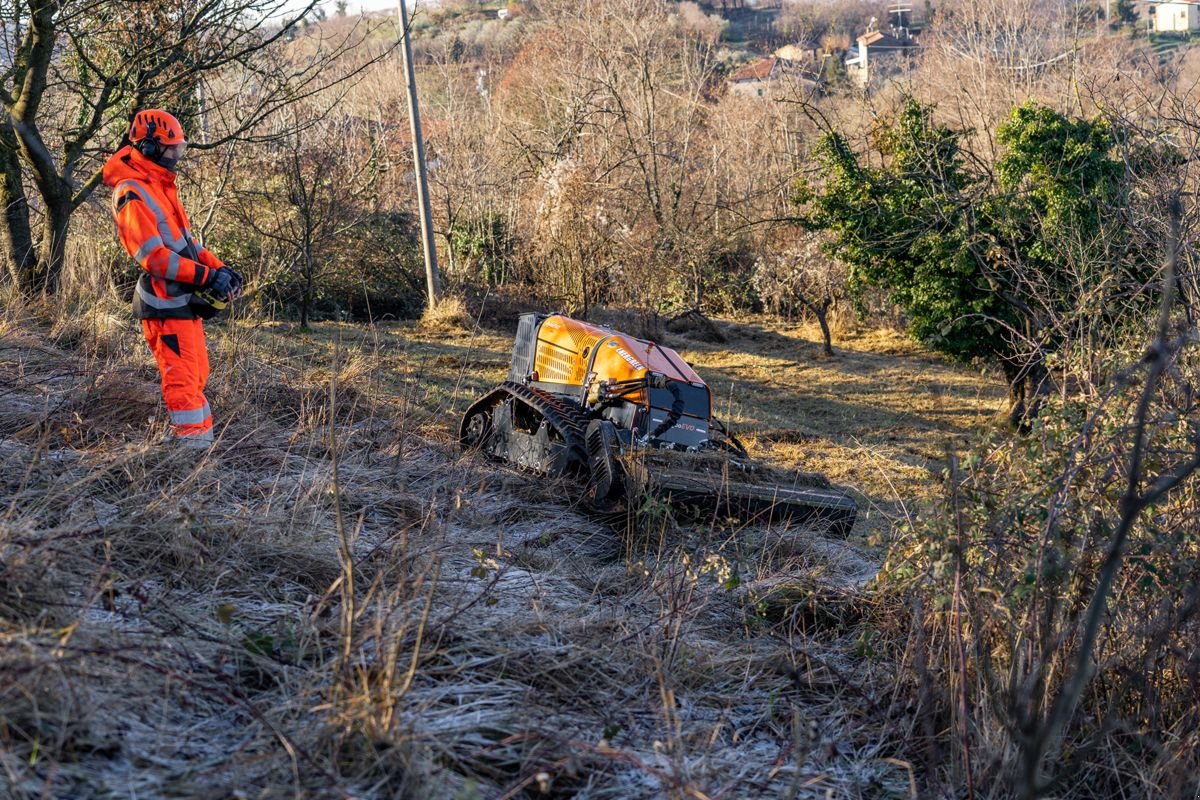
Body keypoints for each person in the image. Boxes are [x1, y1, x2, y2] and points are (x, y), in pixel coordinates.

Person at [102, 109, 243, 448]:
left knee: (196, 378)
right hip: (164, 302)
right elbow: (154, 257)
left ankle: (193, 449)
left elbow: (188, 245)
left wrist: (221, 270)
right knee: (182, 383)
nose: (177, 155)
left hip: (183, 300)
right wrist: (208, 277)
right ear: (149, 148)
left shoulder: (161, 186)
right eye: (172, 148)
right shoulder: (130, 192)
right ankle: (191, 460)